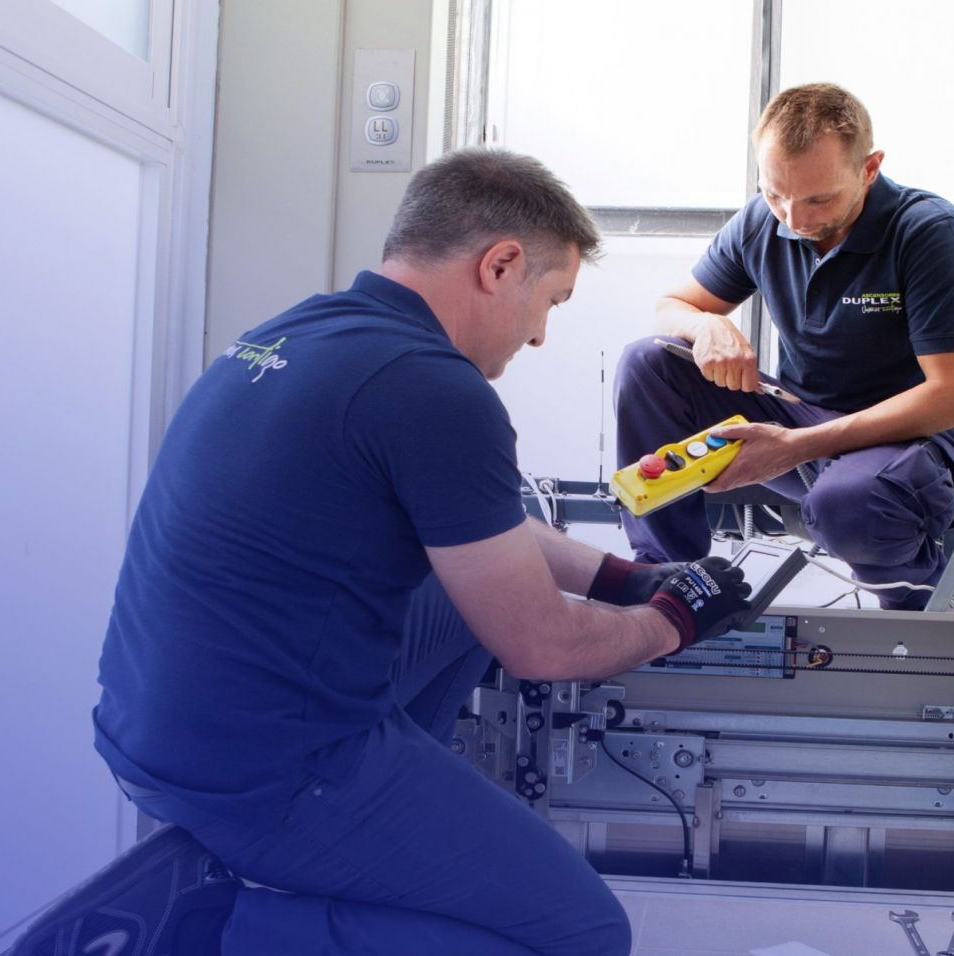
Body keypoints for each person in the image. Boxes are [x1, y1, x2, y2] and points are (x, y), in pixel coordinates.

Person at [91, 148, 752, 956]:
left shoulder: (300, 331)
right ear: (499, 266)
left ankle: (387, 816)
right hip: (266, 770)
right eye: (550, 300)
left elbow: (486, 539)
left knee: (468, 596)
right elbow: (542, 647)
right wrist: (673, 620)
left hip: (151, 725)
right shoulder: (436, 389)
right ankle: (227, 931)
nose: (540, 335)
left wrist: (628, 580)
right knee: (582, 935)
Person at [614, 82, 954, 610]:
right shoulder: (762, 222)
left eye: (819, 199)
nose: (794, 219)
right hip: (800, 420)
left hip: (918, 444)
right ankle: (671, 584)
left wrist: (797, 446)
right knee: (648, 361)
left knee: (849, 503)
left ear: (870, 168)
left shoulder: (929, 232)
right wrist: (705, 325)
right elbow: (671, 305)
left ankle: (919, 603)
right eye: (776, 195)